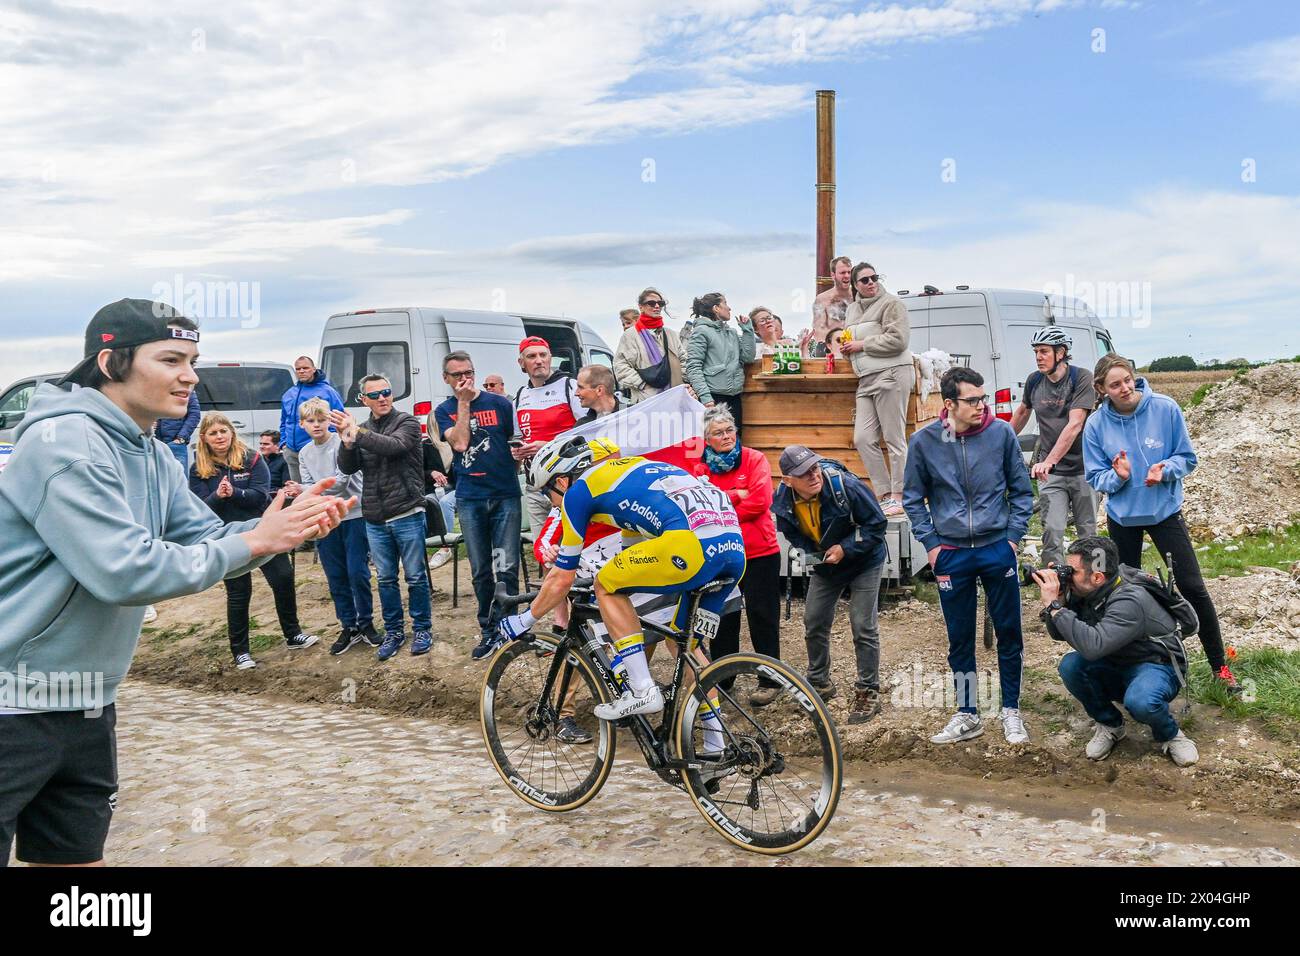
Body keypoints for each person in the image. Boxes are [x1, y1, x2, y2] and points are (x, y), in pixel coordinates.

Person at [0, 298, 349, 869]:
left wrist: (274, 528)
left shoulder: (155, 452)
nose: (191, 375)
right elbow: (125, 570)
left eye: (193, 359)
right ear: (112, 364)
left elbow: (207, 538)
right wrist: (257, 542)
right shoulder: (64, 442)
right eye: (171, 359)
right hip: (11, 704)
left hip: (88, 702)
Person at [494, 436, 745, 771]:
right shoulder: (630, 472)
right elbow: (633, 548)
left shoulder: (580, 491)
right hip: (733, 550)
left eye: (548, 492)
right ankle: (716, 746)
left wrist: (524, 620)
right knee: (684, 642)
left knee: (606, 585)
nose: (552, 503)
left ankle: (642, 688)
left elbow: (561, 578)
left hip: (691, 546)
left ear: (562, 480)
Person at [1083, 353, 1240, 691]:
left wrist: (1164, 470)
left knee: (1193, 586)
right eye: (1115, 384)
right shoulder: (1095, 425)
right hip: (1123, 518)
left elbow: (1187, 457)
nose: (1124, 388)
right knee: (1122, 596)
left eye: (1127, 380)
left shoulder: (1165, 408)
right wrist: (1118, 477)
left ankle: (1220, 668)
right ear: (1101, 388)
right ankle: (1132, 670)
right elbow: (1095, 477)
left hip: (1164, 512)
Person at [903, 366, 1034, 745]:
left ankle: (1011, 710)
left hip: (997, 548)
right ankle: (968, 713)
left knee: (1009, 632)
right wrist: (931, 544)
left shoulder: (1001, 434)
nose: (982, 406)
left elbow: (1022, 492)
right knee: (960, 637)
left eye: (983, 398)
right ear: (949, 404)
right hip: (952, 553)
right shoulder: (925, 441)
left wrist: (1011, 538)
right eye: (972, 400)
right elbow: (912, 497)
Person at [1037, 536, 1199, 766]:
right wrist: (1060, 600)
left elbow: (1093, 647)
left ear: (1097, 577)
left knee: (1141, 702)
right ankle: (1111, 725)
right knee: (1071, 666)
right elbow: (1059, 633)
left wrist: (1054, 607)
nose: (1066, 576)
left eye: (1071, 571)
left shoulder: (1129, 599)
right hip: (1116, 660)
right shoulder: (1088, 590)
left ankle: (1171, 735)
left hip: (1156, 666)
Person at [191, 413, 321, 667]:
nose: (219, 437)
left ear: (231, 433)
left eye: (223, 432)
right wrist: (218, 496)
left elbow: (261, 496)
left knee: (283, 578)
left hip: (262, 528)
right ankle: (240, 651)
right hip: (228, 536)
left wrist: (235, 492)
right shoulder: (198, 469)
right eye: (213, 433)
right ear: (204, 438)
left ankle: (293, 633)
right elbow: (201, 509)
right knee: (239, 592)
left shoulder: (251, 458)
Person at [772, 445, 888, 722]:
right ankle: (819, 683)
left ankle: (868, 691)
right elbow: (790, 531)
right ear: (788, 480)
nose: (814, 475)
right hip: (826, 565)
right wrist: (815, 555)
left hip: (864, 561)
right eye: (804, 473)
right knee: (814, 622)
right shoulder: (782, 499)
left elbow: (877, 524)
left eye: (814, 467)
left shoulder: (846, 486)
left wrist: (845, 549)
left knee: (862, 625)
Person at [333, 375, 433, 660]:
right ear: (363, 400)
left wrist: (358, 433)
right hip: (375, 516)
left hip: (407, 510)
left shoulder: (408, 422)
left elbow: (394, 446)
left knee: (415, 577)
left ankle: (423, 629)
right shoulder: (361, 429)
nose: (383, 398)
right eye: (375, 395)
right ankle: (394, 632)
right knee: (386, 579)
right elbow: (349, 468)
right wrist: (348, 442)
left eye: (387, 392)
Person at [692, 408, 784, 708]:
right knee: (721, 618)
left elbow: (760, 502)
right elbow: (700, 509)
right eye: (718, 433)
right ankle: (723, 677)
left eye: (730, 429)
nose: (727, 436)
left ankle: (770, 680)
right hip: (722, 557)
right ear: (707, 439)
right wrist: (736, 494)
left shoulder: (754, 459)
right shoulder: (700, 469)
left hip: (760, 553)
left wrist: (722, 506)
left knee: (763, 616)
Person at [434, 352, 523, 659]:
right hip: (470, 497)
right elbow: (459, 443)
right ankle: (488, 629)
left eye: (468, 372)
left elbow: (516, 441)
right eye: (456, 375)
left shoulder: (500, 404)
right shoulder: (444, 409)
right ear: (446, 379)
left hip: (504, 493)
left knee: (507, 566)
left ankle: (510, 627)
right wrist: (463, 403)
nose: (464, 379)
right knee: (481, 569)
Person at [1009, 328, 1097, 568]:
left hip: (1083, 469)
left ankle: (1093, 583)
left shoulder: (1081, 378)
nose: (1038, 356)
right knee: (1052, 531)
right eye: (1036, 351)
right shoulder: (1034, 380)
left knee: (1088, 534)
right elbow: (1022, 412)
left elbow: (1075, 424)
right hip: (1053, 474)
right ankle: (1055, 584)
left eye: (1044, 351)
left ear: (1061, 352)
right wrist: (1000, 441)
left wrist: (1050, 460)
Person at [296, 398, 376, 655]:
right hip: (325, 520)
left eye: (321, 420)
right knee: (335, 575)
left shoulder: (341, 444)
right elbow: (307, 486)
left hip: (353, 514)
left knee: (357, 572)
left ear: (329, 422)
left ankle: (367, 622)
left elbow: (342, 480)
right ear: (302, 424)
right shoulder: (304, 453)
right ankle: (348, 625)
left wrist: (312, 489)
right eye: (311, 421)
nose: (317, 425)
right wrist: (309, 490)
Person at [840, 262, 914, 517]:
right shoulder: (851, 310)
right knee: (862, 438)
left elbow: (899, 340)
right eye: (865, 280)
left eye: (874, 278)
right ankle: (883, 494)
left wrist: (862, 345)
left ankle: (899, 495)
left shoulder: (892, 304)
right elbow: (849, 341)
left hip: (891, 372)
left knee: (894, 437)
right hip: (866, 378)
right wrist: (848, 349)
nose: (871, 283)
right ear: (855, 285)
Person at [511, 335, 585, 536]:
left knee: (571, 547)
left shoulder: (569, 386)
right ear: (522, 363)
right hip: (534, 483)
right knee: (542, 550)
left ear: (550, 357)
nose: (538, 360)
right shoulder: (520, 395)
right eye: (532, 356)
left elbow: (586, 433)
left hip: (567, 482)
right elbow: (520, 435)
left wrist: (548, 445)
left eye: (543, 355)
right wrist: (517, 452)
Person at [683, 292, 756, 431]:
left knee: (735, 442)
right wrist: (706, 398)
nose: (729, 308)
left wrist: (747, 331)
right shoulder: (701, 331)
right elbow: (693, 367)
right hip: (713, 398)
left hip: (735, 397)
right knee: (715, 444)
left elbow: (748, 357)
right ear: (716, 308)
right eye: (726, 304)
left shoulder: (732, 332)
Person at [278, 355, 344, 483]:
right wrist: (283, 443)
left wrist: (327, 444)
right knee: (300, 492)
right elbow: (284, 421)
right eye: (298, 369)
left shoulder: (327, 391)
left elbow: (338, 418)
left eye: (305, 368)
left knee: (319, 489)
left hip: (316, 449)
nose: (301, 371)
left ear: (314, 369)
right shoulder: (289, 393)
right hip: (291, 451)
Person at [613, 288, 684, 405]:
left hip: (674, 397)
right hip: (646, 401)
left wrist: (683, 384)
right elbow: (620, 366)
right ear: (641, 307)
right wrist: (642, 385)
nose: (657, 306)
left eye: (660, 303)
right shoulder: (630, 335)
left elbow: (684, 361)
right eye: (651, 303)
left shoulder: (671, 334)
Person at [807, 255, 854, 357]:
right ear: (833, 275)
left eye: (849, 272)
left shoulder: (858, 296)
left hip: (856, 348)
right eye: (842, 273)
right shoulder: (823, 299)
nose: (847, 275)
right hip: (833, 350)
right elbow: (819, 330)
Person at [154, 387, 199, 469]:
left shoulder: (184, 388)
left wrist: (181, 438)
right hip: (155, 444)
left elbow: (194, 415)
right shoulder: (154, 387)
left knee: (179, 480)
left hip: (176, 444)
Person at [259, 429, 290, 494]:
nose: (261, 446)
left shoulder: (285, 461)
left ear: (277, 445)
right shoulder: (258, 461)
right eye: (260, 444)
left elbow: (286, 487)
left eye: (266, 444)